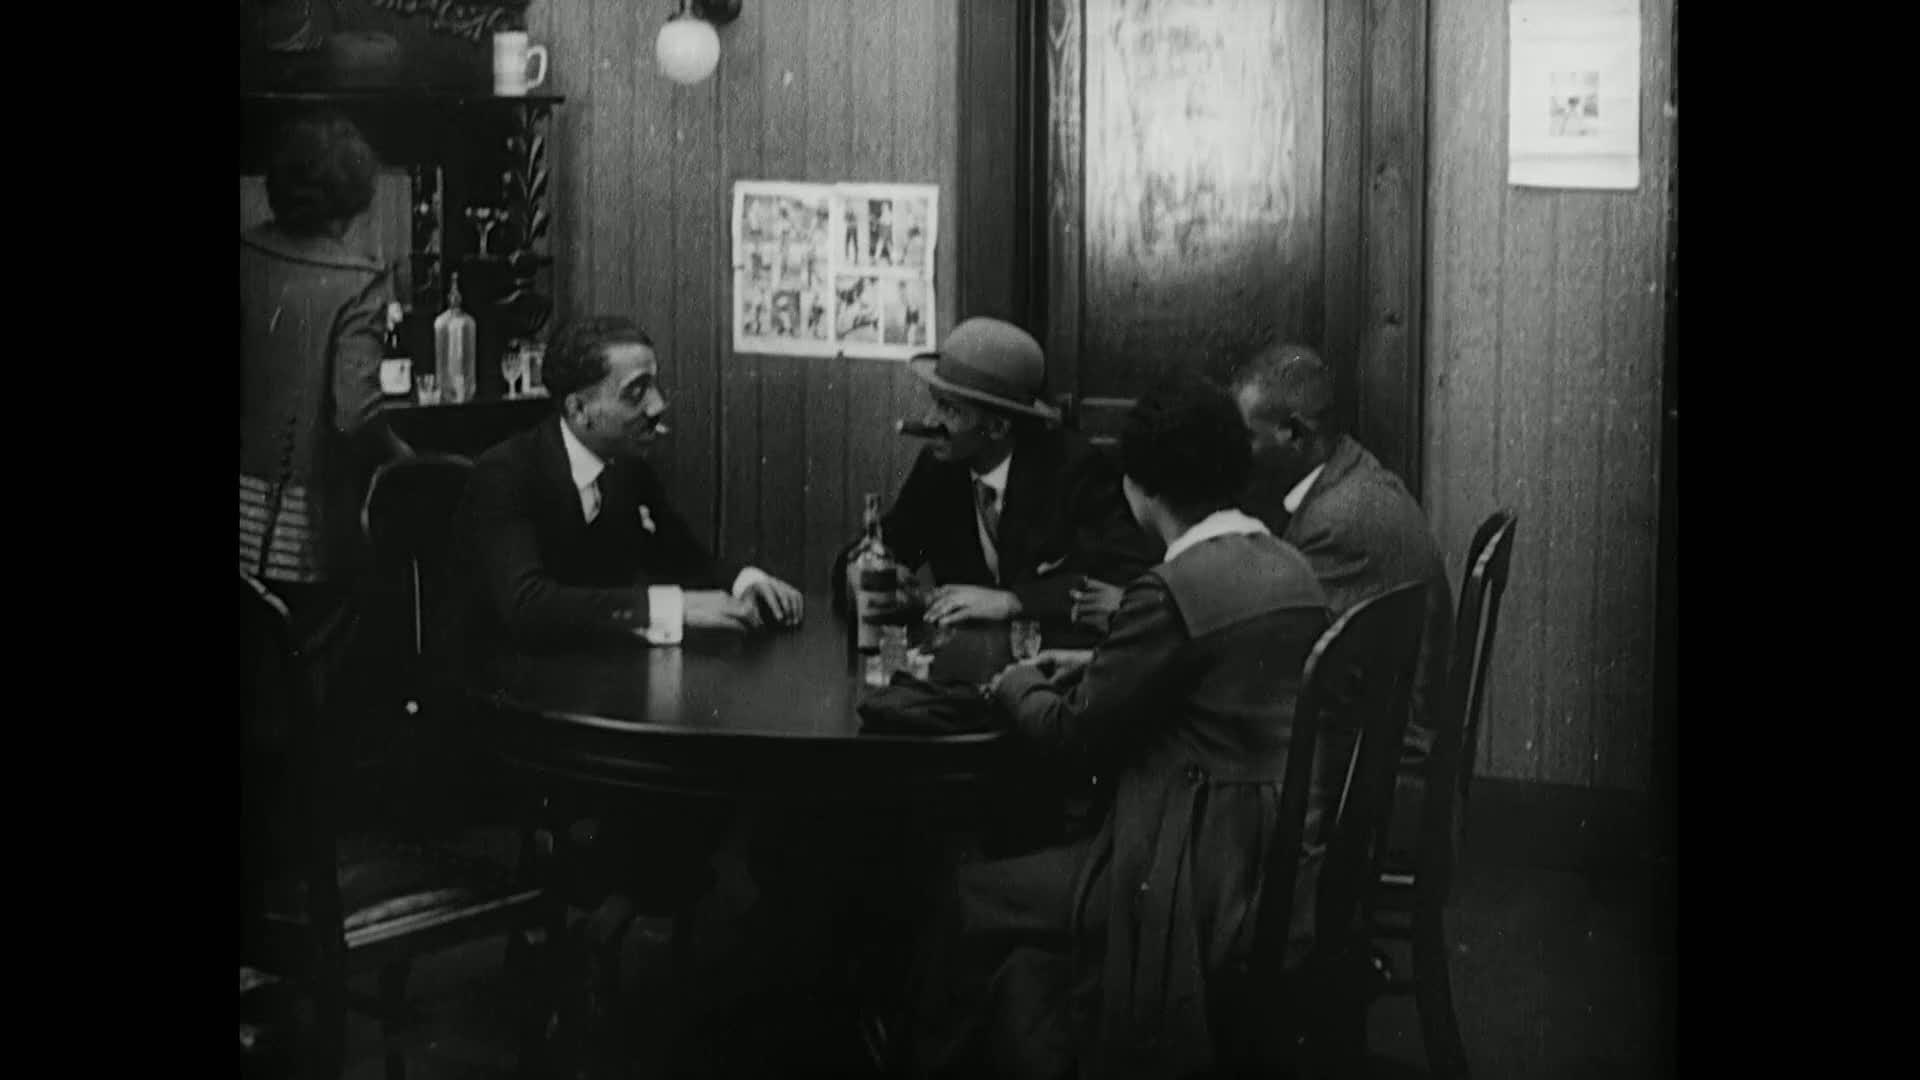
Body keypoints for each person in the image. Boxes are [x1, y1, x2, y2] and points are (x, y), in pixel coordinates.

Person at [907, 375, 1333, 1079]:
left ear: (1139, 487)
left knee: (963, 896)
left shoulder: (1169, 588)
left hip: (1183, 870)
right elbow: (1208, 674)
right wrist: (1090, 662)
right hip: (1263, 856)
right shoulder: (1290, 566)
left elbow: (1071, 740)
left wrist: (1015, 680)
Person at [1070, 344, 1451, 768]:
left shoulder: (1339, 522)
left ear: (1293, 433)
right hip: (1371, 730)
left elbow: (1260, 656)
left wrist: (1136, 619)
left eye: (1247, 437)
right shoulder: (1350, 479)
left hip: (1378, 760)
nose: (1233, 452)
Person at [441, 313, 803, 669]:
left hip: (585, 676)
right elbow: (528, 605)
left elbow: (681, 557)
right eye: (636, 392)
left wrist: (744, 582)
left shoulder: (627, 466)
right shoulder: (504, 474)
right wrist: (675, 607)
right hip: (498, 683)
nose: (657, 405)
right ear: (579, 409)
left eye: (654, 386)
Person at [239, 109, 410, 718]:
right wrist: (401, 458)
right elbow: (355, 416)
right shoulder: (358, 280)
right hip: (303, 537)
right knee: (313, 693)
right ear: (355, 198)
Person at [839, 317, 1156, 628]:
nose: (930, 420)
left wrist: (1014, 602)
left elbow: (1127, 580)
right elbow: (884, 544)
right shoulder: (938, 469)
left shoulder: (1074, 469)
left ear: (998, 427)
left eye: (950, 409)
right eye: (935, 402)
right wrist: (859, 573)